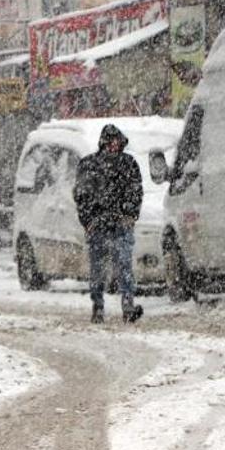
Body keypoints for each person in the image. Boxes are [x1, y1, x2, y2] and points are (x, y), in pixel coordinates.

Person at [73, 123, 144, 324]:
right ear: (104, 143)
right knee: (98, 269)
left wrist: (129, 215)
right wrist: (88, 221)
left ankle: (128, 304)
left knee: (124, 266)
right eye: (111, 143)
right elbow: (81, 195)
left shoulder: (128, 164)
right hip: (98, 226)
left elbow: (136, 191)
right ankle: (98, 305)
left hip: (121, 224)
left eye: (117, 144)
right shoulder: (89, 165)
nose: (114, 147)